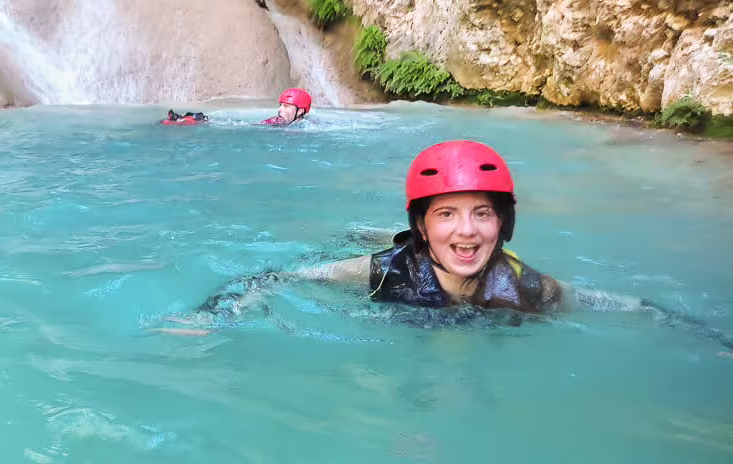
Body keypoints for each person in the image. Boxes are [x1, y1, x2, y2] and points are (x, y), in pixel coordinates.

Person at [164, 141, 733, 349]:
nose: (467, 232)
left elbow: (620, 305)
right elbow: (272, 278)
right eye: (447, 216)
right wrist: (216, 314)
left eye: (483, 214)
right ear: (422, 226)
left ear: (504, 224)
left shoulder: (528, 286)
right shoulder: (379, 273)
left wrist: (694, 331)